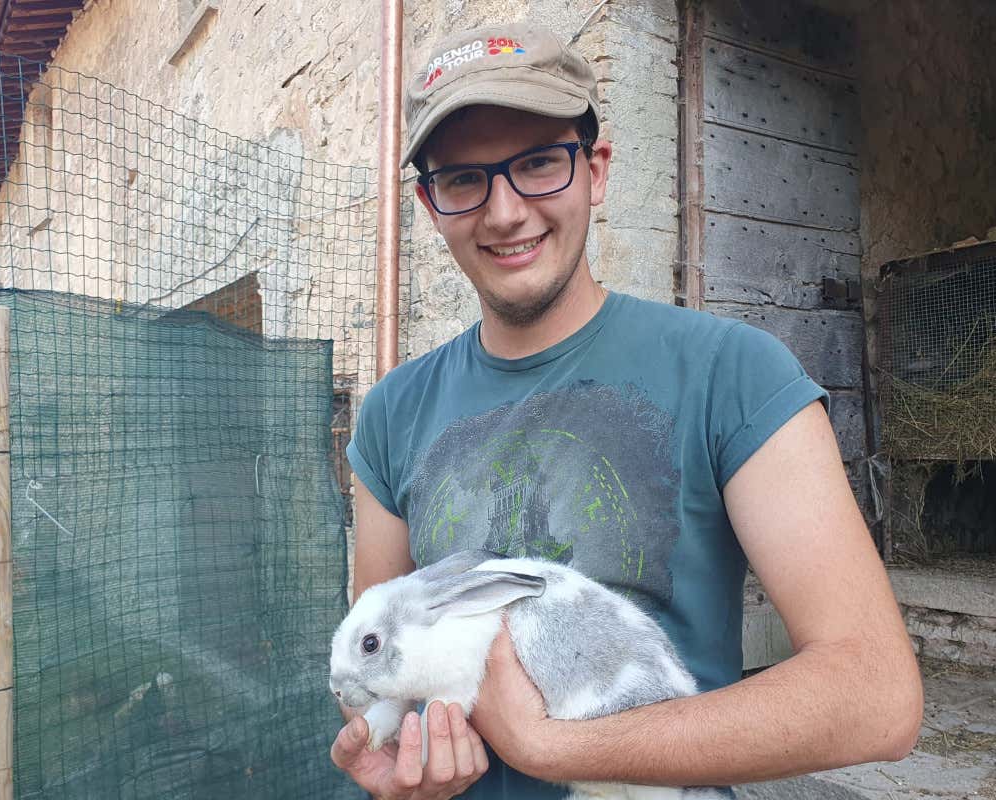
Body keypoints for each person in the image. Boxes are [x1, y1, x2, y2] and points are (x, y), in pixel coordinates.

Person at [330, 21, 923, 800]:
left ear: (595, 171)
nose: (504, 212)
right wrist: (398, 764)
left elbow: (875, 696)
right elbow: (384, 665)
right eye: (464, 180)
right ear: (430, 204)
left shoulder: (732, 372)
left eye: (539, 163)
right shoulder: (392, 413)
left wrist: (553, 747)